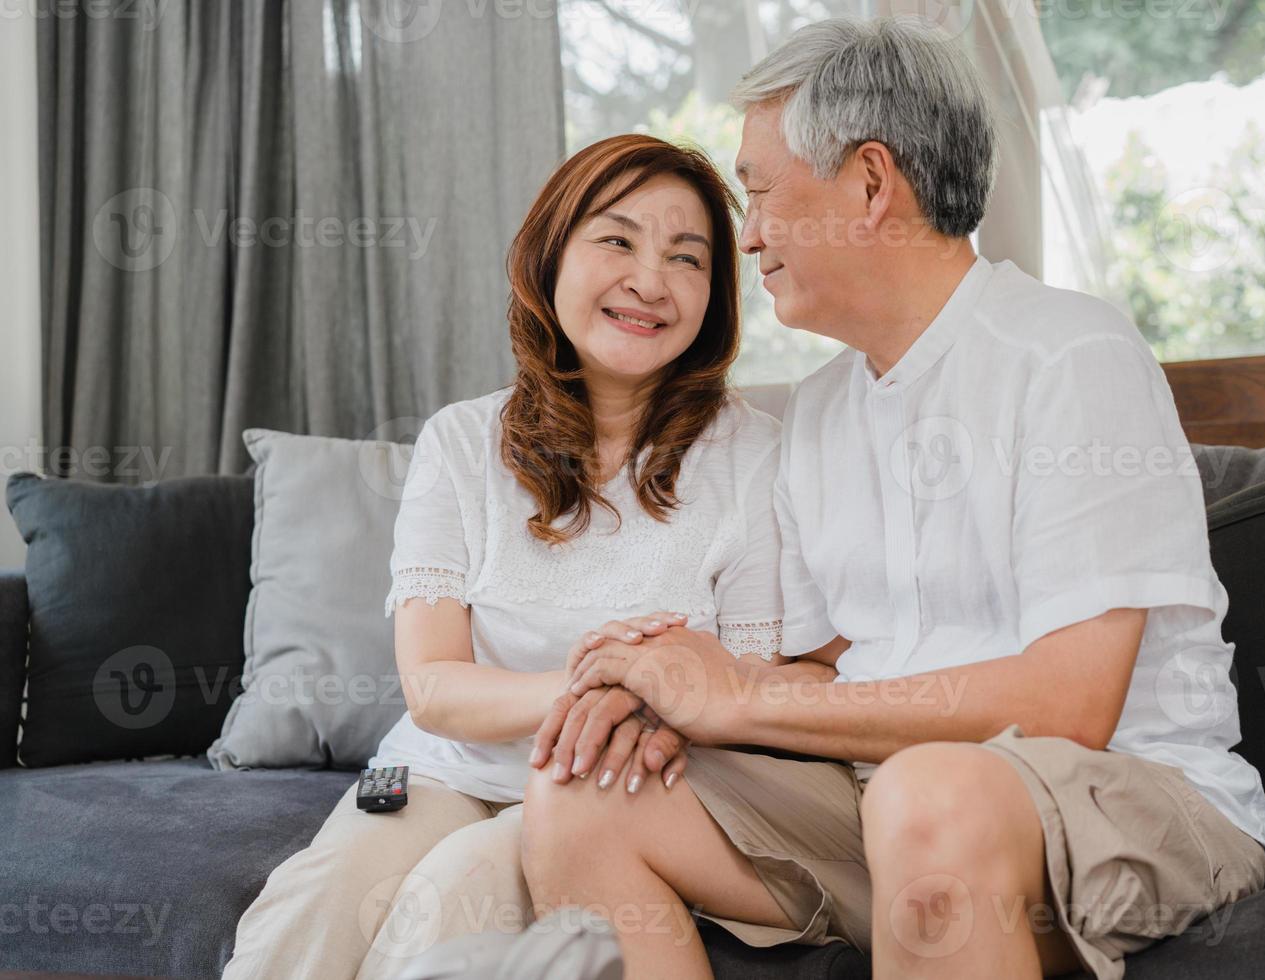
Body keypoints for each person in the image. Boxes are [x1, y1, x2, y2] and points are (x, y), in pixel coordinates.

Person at [525, 16, 1265, 980]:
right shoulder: (822, 413)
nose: (745, 237)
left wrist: (740, 698)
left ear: (871, 184)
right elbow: (834, 674)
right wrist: (669, 683)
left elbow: (1069, 704)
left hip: (1133, 802)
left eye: (758, 193)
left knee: (930, 796)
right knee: (584, 789)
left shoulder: (1070, 356)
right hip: (896, 807)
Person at [220, 132, 838, 980]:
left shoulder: (755, 456)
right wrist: (611, 683)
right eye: (617, 240)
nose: (650, 281)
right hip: (443, 769)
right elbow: (434, 687)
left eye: (686, 257)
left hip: (613, 794)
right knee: (318, 896)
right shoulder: (462, 440)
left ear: (715, 296)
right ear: (550, 256)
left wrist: (646, 705)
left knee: (452, 892)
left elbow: (751, 679)